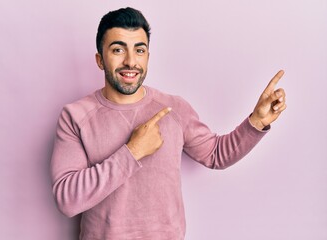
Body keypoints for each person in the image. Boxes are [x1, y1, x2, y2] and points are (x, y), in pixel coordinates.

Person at [50, 7, 286, 240]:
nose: (131, 61)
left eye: (139, 50)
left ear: (148, 57)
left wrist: (256, 121)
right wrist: (132, 152)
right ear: (100, 60)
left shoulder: (174, 109)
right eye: (118, 49)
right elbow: (67, 199)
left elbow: (215, 155)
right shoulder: (75, 116)